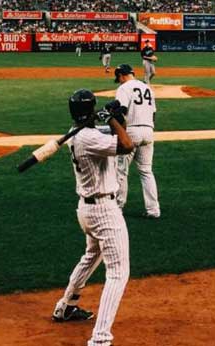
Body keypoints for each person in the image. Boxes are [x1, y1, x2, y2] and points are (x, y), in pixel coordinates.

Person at [52, 88, 135, 346]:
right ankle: (100, 339)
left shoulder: (80, 134)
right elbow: (127, 144)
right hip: (103, 212)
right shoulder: (88, 138)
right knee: (118, 273)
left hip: (87, 210)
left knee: (91, 256)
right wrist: (110, 119)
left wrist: (116, 118)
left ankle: (66, 305)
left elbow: (115, 134)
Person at [111, 64, 160, 219]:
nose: (118, 81)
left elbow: (121, 113)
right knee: (146, 171)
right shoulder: (147, 88)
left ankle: (118, 208)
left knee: (121, 171)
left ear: (121, 75)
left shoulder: (124, 88)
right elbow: (154, 115)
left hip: (131, 131)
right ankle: (153, 210)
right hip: (149, 131)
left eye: (118, 78)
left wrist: (121, 133)